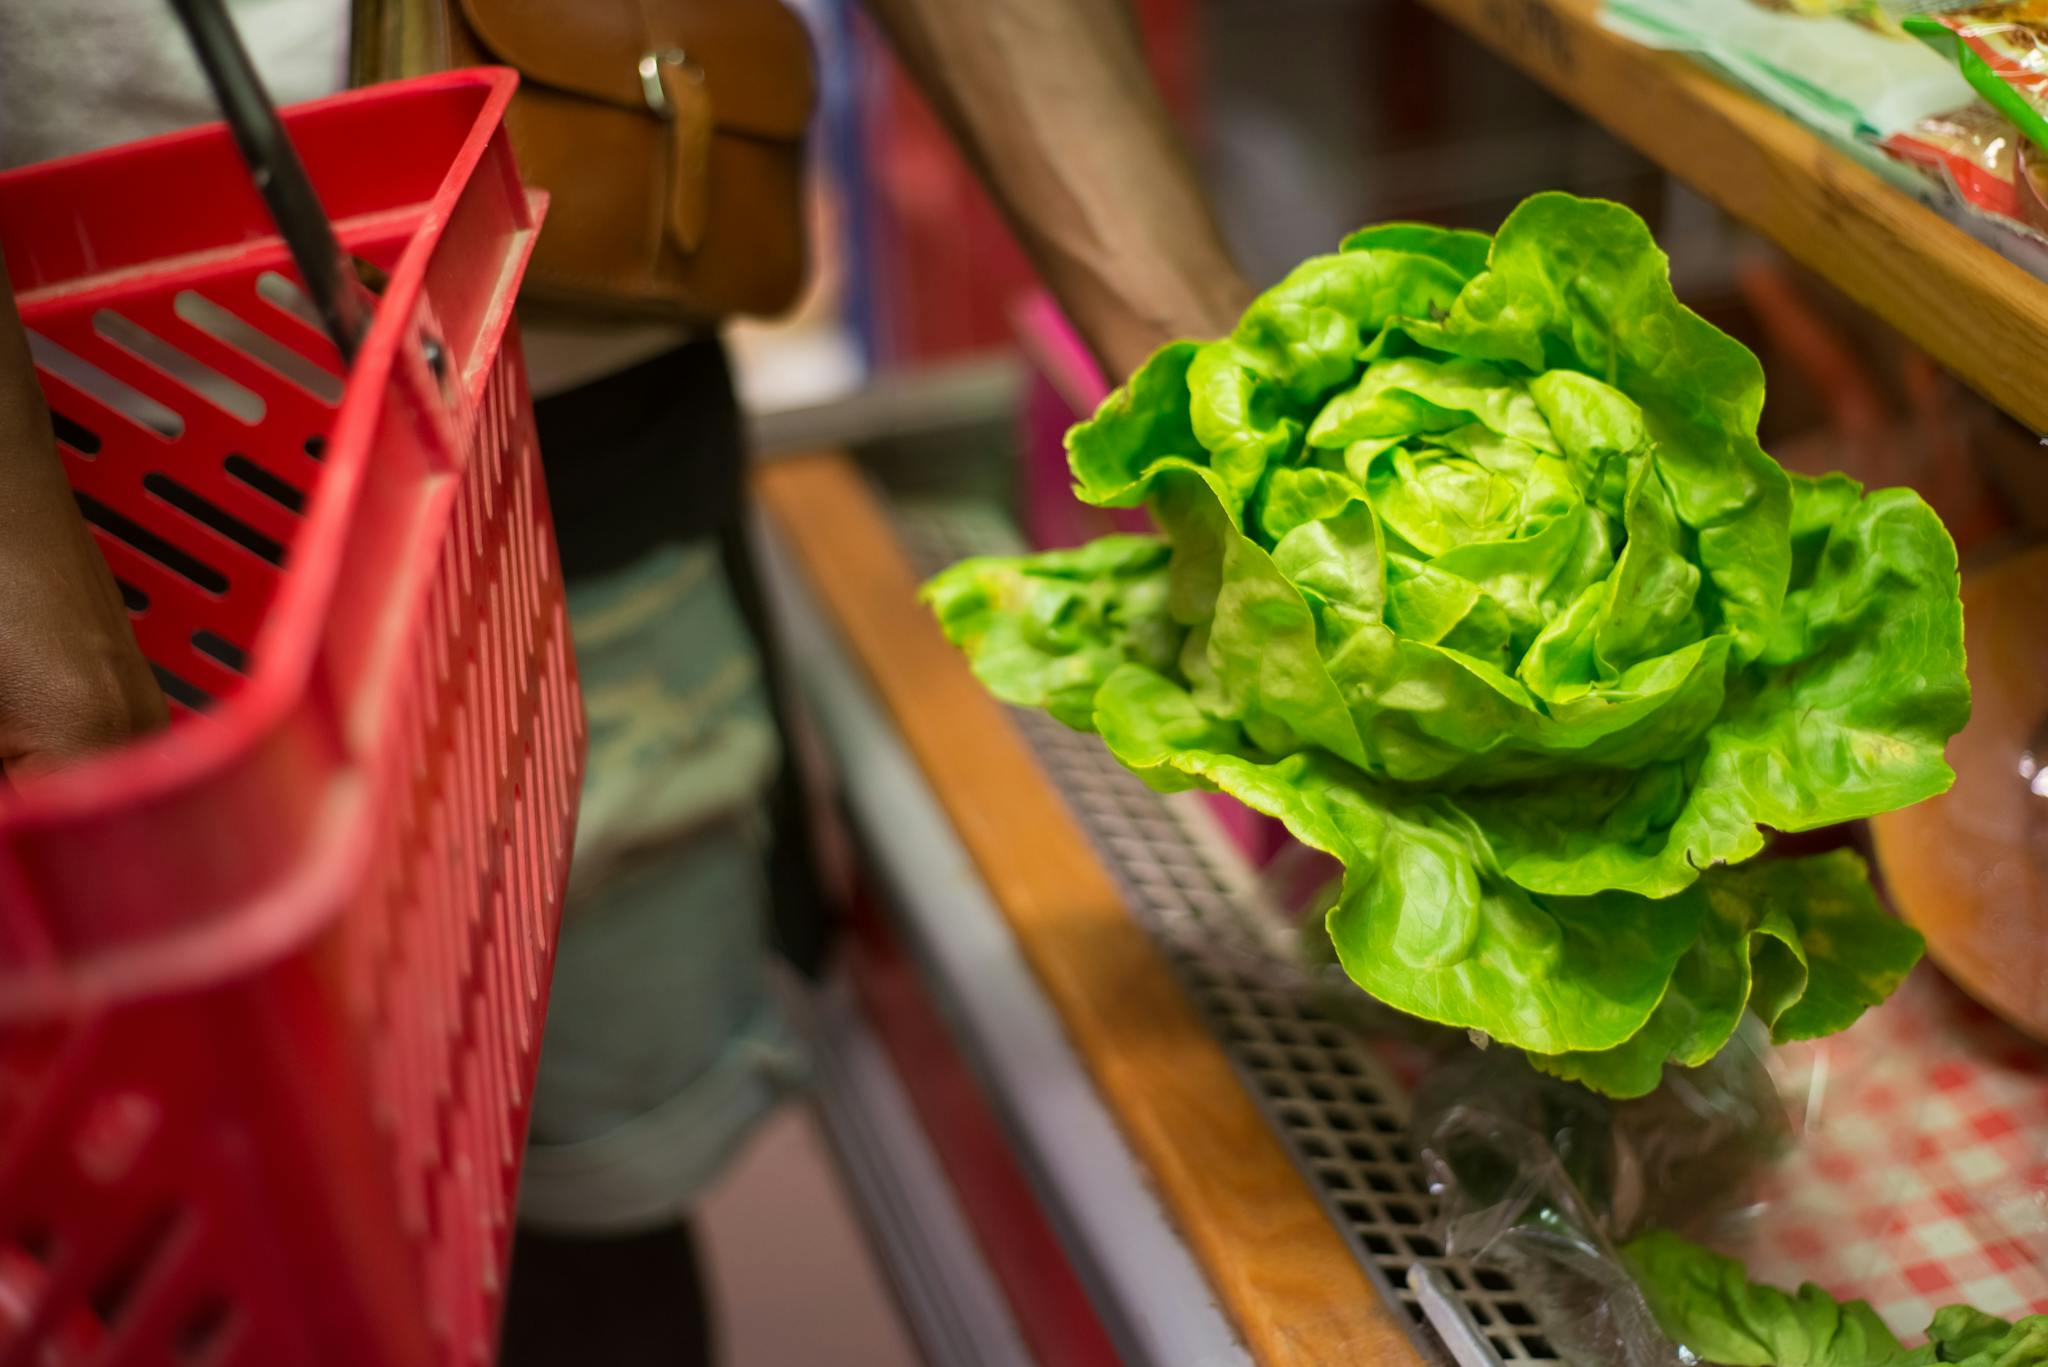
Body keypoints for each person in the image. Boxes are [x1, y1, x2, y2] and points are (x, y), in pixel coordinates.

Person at [0, 1, 1252, 1361]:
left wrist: (1230, 413)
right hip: (77, 507)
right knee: (181, 1265)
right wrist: (59, 708)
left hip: (546, 396)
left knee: (589, 1211)